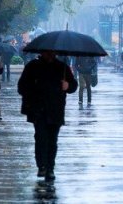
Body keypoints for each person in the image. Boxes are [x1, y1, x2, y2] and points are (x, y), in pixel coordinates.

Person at [18, 50, 78, 181]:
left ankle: (50, 168)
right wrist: (33, 90)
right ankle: (42, 166)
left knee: (52, 141)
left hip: (55, 110)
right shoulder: (32, 66)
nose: (50, 54)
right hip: (38, 110)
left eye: (52, 52)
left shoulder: (62, 67)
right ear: (42, 52)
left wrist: (67, 86)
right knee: (40, 139)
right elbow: (21, 87)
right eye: (47, 52)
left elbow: (73, 85)